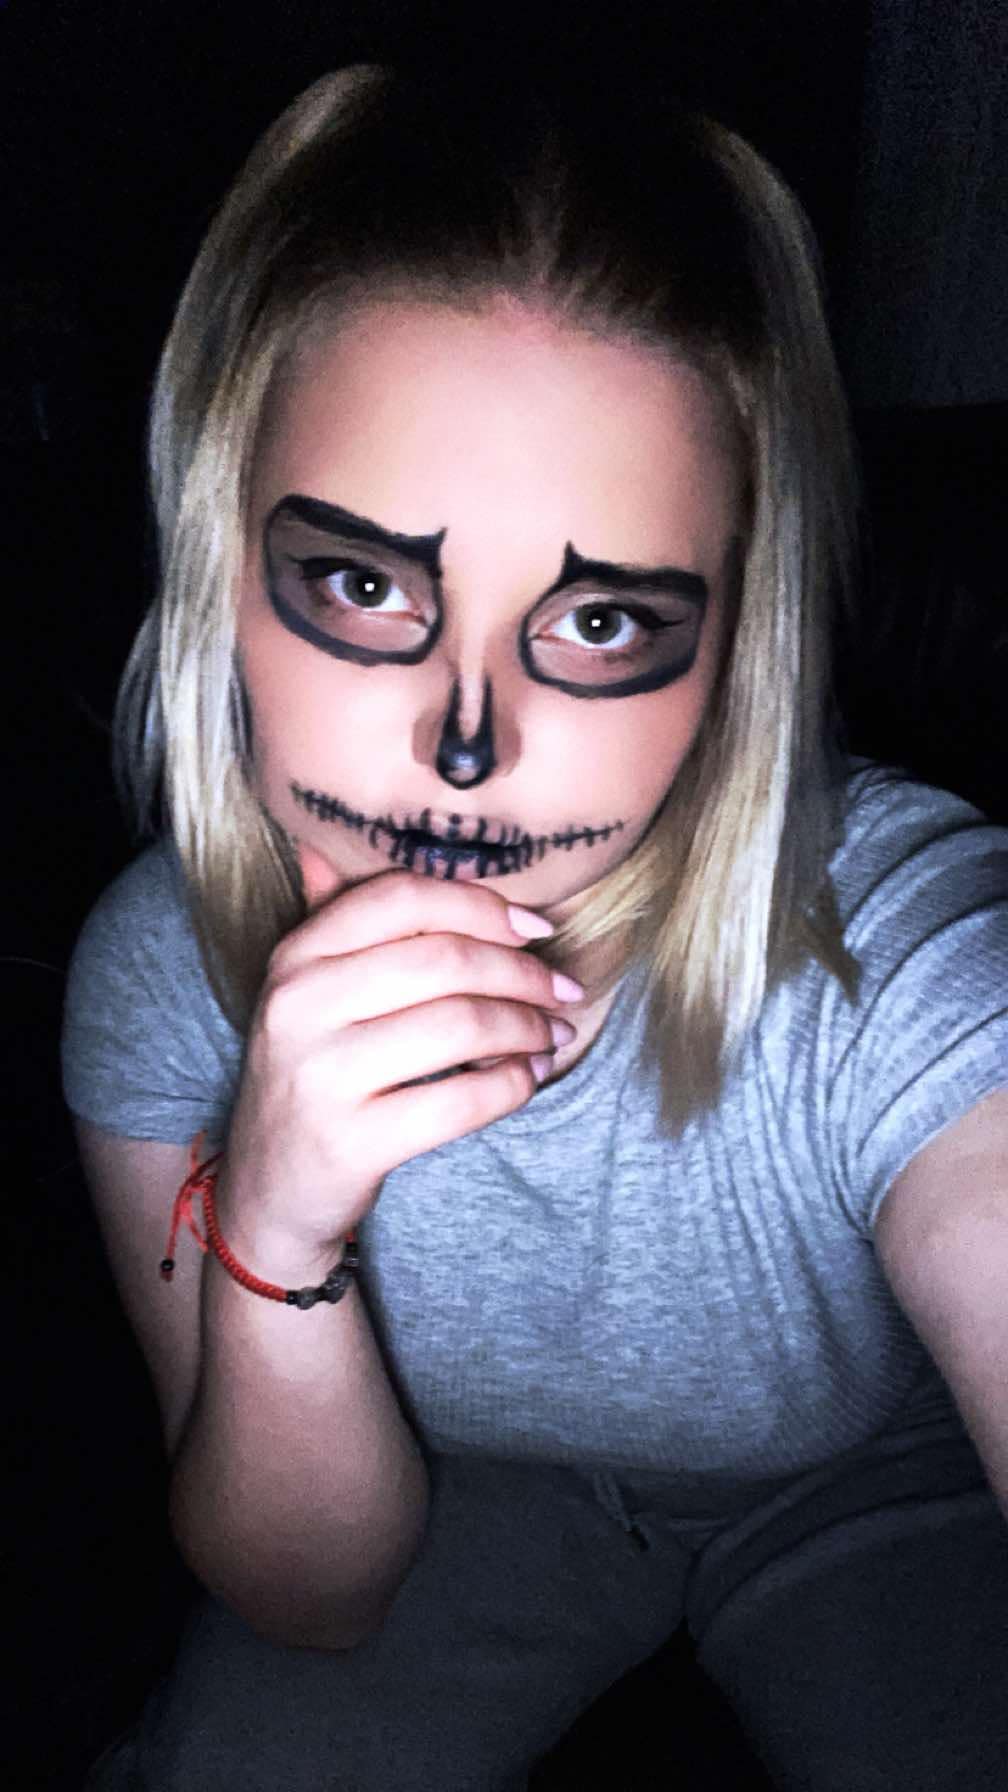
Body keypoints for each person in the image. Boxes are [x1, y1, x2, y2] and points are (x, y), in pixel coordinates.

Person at [61, 58, 1008, 1792]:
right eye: (364, 585)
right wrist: (274, 1224)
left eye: (599, 624)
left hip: (881, 1477)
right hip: (459, 1486)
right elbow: (314, 1601)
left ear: (737, 648)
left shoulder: (897, 943)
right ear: (221, 571)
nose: (464, 743)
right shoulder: (159, 978)